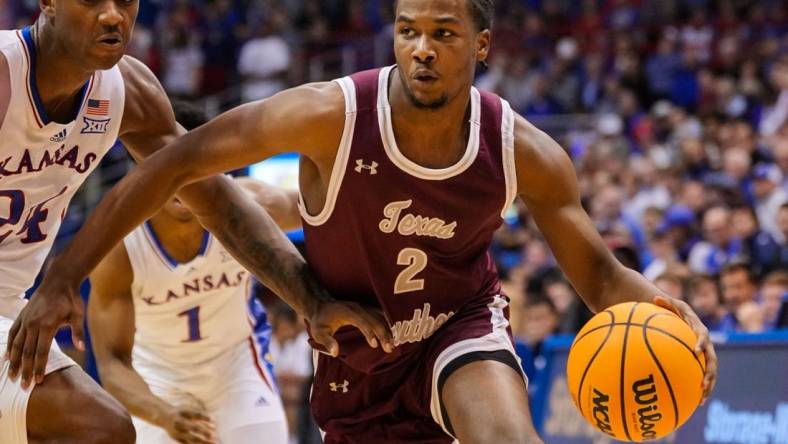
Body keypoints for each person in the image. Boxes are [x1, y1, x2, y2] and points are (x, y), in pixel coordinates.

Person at [14, 1, 717, 442]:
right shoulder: (327, 113)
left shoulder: (523, 151)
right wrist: (65, 278)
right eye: (408, 30)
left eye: (443, 33)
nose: (422, 48)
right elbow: (176, 165)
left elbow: (596, 273)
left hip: (455, 328)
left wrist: (666, 309)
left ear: (480, 46)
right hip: (356, 360)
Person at [0, 2, 391, 443]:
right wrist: (62, 279)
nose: (112, 16)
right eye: (92, 0)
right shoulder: (5, 73)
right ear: (48, 2)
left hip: (12, 304)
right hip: (140, 364)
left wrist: (311, 301)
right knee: (98, 429)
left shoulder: (128, 90)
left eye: (126, 1)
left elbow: (214, 198)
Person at [88, 102, 295, 444]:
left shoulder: (248, 205)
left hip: (238, 366)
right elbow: (111, 363)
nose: (182, 178)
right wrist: (162, 413)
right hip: (157, 380)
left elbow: (324, 209)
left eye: (193, 163)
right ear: (142, 170)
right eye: (170, 166)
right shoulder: (119, 245)